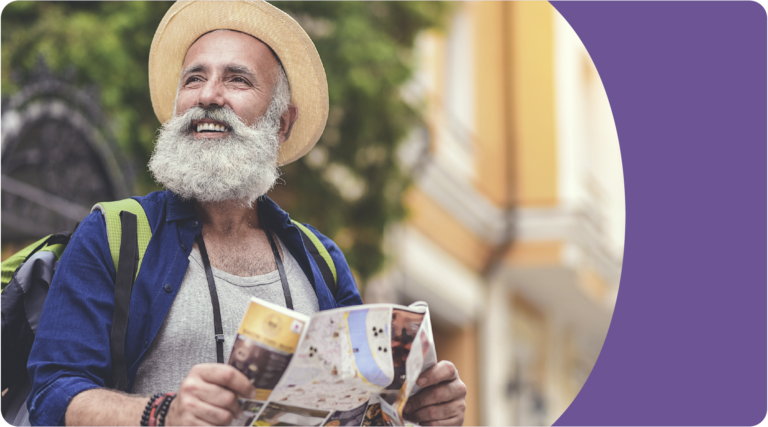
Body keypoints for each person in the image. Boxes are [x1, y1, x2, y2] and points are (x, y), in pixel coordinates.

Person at [25, 1, 466, 426]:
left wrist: (413, 412)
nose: (209, 96)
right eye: (194, 78)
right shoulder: (114, 233)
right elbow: (52, 394)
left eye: (237, 80)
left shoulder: (322, 260)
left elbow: (361, 410)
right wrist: (163, 415)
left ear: (282, 123)